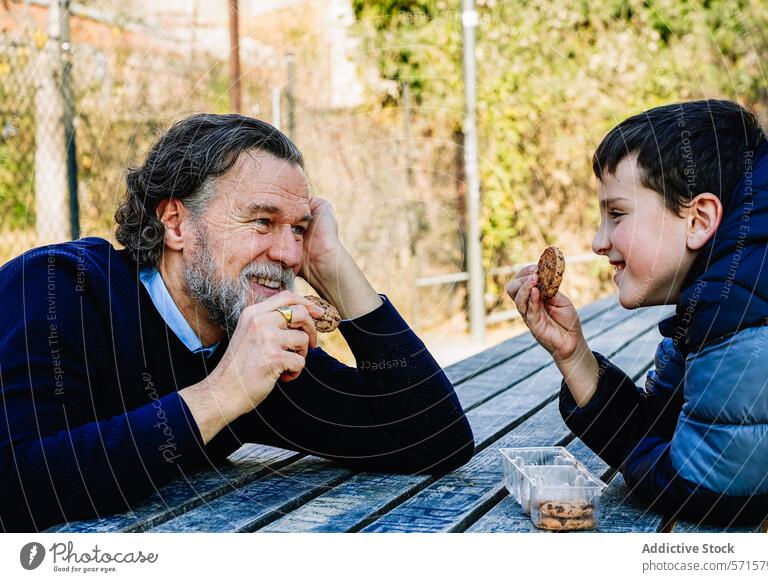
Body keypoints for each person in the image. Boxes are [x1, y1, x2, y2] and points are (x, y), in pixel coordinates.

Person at [0, 114, 474, 532]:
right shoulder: (58, 288)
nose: (288, 254)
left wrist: (333, 267)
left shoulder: (250, 338)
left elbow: (433, 440)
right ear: (177, 223)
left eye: (299, 229)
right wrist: (222, 396)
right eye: (262, 222)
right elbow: (17, 487)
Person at [507, 99, 768, 526]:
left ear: (699, 219)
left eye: (617, 214)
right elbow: (664, 430)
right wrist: (574, 356)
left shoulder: (752, 310)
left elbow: (706, 494)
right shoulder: (731, 289)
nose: (597, 242)